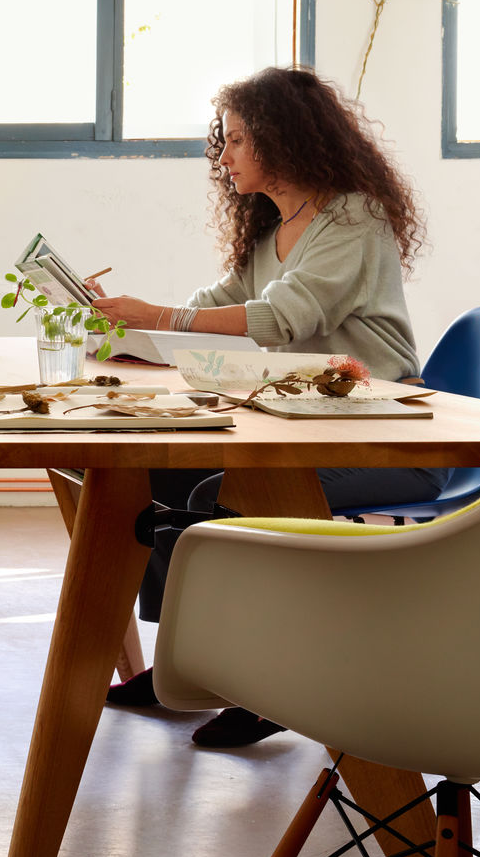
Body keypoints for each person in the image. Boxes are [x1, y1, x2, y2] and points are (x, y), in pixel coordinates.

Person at [88, 66, 445, 748]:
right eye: (222, 140)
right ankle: (189, 664)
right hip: (304, 420)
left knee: (227, 491)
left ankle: (271, 683)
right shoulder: (272, 227)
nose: (223, 156)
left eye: (236, 140)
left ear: (282, 137)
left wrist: (157, 317)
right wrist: (132, 326)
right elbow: (214, 306)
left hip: (382, 432)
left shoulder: (354, 218)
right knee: (160, 475)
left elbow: (280, 318)